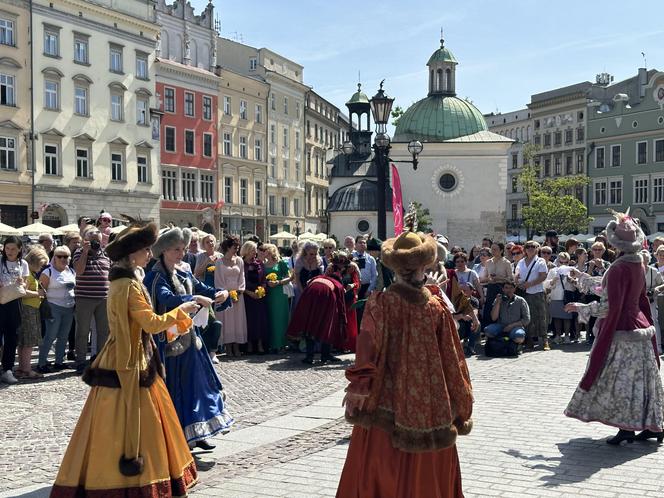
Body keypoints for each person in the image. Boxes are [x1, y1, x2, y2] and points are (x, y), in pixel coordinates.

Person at [50, 222, 199, 497]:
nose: (149, 254)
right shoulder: (128, 285)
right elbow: (151, 324)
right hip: (129, 362)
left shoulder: (123, 282)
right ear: (132, 255)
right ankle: (133, 479)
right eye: (145, 250)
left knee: (109, 419)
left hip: (122, 354)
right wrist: (183, 309)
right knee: (134, 420)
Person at [336, 230, 473, 498]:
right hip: (430, 401)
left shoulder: (382, 304)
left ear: (395, 267)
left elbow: (367, 348)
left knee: (380, 458)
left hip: (386, 397)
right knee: (429, 460)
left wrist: (359, 387)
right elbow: (453, 358)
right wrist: (460, 399)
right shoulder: (436, 307)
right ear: (425, 266)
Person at [564, 211, 664, 445]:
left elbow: (609, 305)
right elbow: (611, 289)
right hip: (640, 326)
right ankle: (654, 426)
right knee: (644, 381)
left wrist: (582, 307)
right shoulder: (637, 262)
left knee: (620, 381)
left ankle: (626, 429)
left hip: (622, 332)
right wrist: (583, 278)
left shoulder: (619, 267)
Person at [144, 227, 234, 450]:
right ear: (163, 251)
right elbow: (166, 298)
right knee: (176, 390)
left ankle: (197, 430)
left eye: (183, 249)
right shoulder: (155, 277)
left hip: (190, 339)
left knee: (199, 386)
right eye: (176, 249)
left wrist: (220, 293)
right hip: (168, 344)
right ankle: (177, 435)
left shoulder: (183, 273)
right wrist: (194, 298)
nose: (181, 254)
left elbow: (204, 288)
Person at [72, 225, 111, 375]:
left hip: (104, 298)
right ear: (86, 240)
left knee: (104, 331)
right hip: (84, 298)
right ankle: (81, 361)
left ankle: (100, 361)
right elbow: (79, 271)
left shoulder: (106, 255)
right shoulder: (79, 253)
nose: (96, 243)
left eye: (98, 241)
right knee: (82, 331)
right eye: (92, 240)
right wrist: (85, 252)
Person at [287, 274, 346, 365]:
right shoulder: (337, 284)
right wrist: (341, 317)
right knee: (327, 325)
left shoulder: (317, 277)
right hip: (326, 296)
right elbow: (340, 303)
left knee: (309, 324)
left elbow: (308, 284)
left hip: (309, 294)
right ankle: (325, 355)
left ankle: (309, 357)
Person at [37, 246, 76, 374]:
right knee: (50, 335)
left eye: (66, 256)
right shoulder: (48, 272)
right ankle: (41, 363)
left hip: (69, 307)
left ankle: (59, 361)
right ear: (54, 257)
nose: (63, 259)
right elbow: (41, 291)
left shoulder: (71, 271)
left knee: (64, 336)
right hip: (53, 306)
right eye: (60, 256)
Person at [16, 247, 49, 379]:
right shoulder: (28, 274)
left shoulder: (28, 272)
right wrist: (38, 293)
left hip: (29, 309)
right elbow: (21, 292)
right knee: (28, 342)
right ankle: (26, 369)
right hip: (28, 310)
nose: (41, 267)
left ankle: (22, 368)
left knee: (24, 341)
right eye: (41, 264)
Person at [0, 236, 29, 384]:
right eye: (7, 248)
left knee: (12, 337)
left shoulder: (22, 263)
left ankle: (8, 369)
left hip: (14, 303)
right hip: (0, 302)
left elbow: (26, 285)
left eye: (13, 249)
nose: (10, 251)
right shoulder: (0, 261)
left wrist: (21, 283)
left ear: (19, 250)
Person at [215, 235, 248, 357]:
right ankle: (228, 346)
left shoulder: (239, 260)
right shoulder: (219, 262)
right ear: (228, 247)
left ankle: (237, 346)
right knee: (227, 320)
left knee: (238, 320)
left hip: (238, 296)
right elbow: (218, 280)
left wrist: (239, 292)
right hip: (225, 295)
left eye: (237, 247)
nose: (236, 250)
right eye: (235, 247)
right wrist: (227, 294)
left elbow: (242, 277)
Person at [515, 241, 549, 351]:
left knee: (541, 316)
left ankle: (544, 340)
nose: (530, 248)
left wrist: (529, 284)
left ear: (537, 248)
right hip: (524, 292)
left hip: (537, 292)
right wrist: (517, 280)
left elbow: (543, 276)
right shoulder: (521, 261)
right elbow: (517, 274)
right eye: (528, 246)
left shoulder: (540, 261)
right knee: (527, 317)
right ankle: (529, 341)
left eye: (533, 246)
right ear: (525, 249)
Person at [326, 251, 360, 352]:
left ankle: (349, 345)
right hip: (336, 299)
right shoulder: (331, 269)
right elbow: (326, 280)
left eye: (343, 262)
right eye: (339, 262)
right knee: (337, 321)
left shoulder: (351, 268)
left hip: (349, 298)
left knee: (350, 322)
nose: (341, 265)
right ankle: (337, 345)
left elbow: (357, 282)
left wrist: (352, 286)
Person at [263, 243, 292, 352]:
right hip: (268, 293)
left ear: (270, 251)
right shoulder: (263, 264)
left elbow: (289, 277)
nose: (263, 252)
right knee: (270, 318)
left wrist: (278, 282)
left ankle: (281, 344)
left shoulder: (281, 263)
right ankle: (272, 344)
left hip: (280, 293)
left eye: (265, 250)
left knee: (280, 318)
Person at [241, 241, 268, 354]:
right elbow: (240, 281)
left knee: (260, 320)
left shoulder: (259, 263)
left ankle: (260, 343)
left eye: (255, 250)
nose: (255, 252)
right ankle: (250, 344)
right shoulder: (241, 264)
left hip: (259, 295)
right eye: (253, 250)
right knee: (249, 320)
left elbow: (264, 279)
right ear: (247, 251)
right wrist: (248, 292)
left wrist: (261, 289)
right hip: (246, 295)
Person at [544, 252, 575, 344]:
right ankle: (557, 336)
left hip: (568, 297)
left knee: (567, 318)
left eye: (565, 262)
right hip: (556, 296)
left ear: (568, 262)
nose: (563, 265)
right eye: (561, 262)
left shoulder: (572, 270)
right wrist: (553, 281)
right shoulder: (553, 271)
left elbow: (576, 286)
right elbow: (546, 284)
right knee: (557, 317)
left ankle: (566, 336)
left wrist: (571, 281)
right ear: (558, 262)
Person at [485, 281, 529, 345]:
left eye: (511, 288)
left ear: (514, 289)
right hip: (501, 325)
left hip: (516, 326)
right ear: (503, 289)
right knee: (488, 331)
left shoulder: (521, 300)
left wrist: (511, 326)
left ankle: (514, 345)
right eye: (506, 288)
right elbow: (494, 318)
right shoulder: (498, 299)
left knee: (519, 337)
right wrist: (498, 303)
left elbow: (526, 320)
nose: (509, 290)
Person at [353, 235, 377, 327]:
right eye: (360, 242)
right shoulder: (350, 257)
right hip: (354, 287)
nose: (362, 244)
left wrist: (369, 290)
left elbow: (375, 276)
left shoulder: (371, 259)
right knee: (354, 311)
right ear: (355, 244)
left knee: (365, 312)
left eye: (364, 242)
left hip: (366, 288)